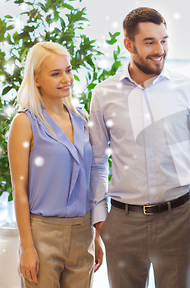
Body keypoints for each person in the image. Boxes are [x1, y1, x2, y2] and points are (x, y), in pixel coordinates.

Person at [90, 7, 190, 288]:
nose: (160, 49)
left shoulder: (188, 89)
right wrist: (100, 219)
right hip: (123, 223)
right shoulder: (104, 95)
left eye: (164, 40)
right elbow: (96, 164)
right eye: (150, 42)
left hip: (177, 221)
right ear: (129, 44)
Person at [8, 42, 103, 287]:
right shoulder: (25, 122)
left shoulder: (82, 117)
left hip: (83, 232)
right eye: (55, 73)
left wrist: (97, 236)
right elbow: (20, 191)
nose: (66, 79)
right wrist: (27, 247)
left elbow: (92, 178)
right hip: (43, 234)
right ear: (36, 78)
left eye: (68, 70)